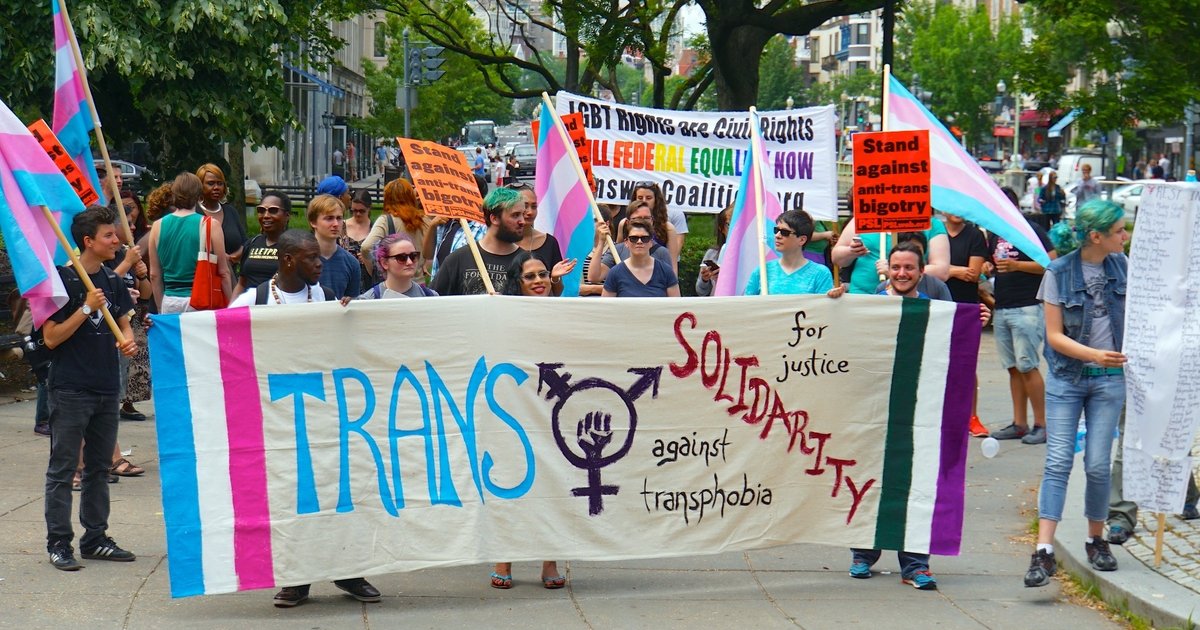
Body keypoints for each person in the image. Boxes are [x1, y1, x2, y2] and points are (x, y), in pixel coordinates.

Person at [226, 230, 379, 606]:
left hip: (324, 415)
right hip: (278, 418)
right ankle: (296, 579)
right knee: (290, 498)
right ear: (288, 260)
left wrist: (347, 317)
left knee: (338, 494)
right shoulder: (255, 299)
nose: (320, 263)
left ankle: (348, 571)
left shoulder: (325, 297)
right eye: (311, 258)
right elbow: (219, 339)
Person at [848, 242, 990, 590]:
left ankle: (915, 565)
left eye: (909, 268)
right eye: (896, 267)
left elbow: (956, 353)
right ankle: (863, 553)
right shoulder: (869, 307)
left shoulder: (936, 311)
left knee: (919, 483)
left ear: (921, 272)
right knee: (870, 481)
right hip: (876, 409)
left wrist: (974, 323)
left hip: (921, 411)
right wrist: (835, 302)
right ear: (888, 269)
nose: (901, 273)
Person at [1024, 200, 1129, 588]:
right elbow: (1053, 336)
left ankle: (1095, 539)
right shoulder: (1058, 272)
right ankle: (1043, 550)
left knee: (1098, 465)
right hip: (1067, 379)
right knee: (1057, 461)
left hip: (1109, 381)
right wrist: (1094, 354)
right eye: (1119, 230)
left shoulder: (1123, 266)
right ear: (1096, 236)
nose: (1125, 236)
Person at [42, 205, 139, 571]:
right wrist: (85, 308)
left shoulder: (112, 280)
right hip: (70, 388)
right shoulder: (62, 281)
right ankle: (58, 543)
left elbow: (124, 322)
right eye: (109, 235)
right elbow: (51, 338)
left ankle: (95, 538)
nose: (117, 240)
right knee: (64, 468)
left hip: (106, 386)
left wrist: (127, 339)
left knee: (99, 468)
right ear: (88, 241)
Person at [490, 250, 567, 589]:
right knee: (512, 480)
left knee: (554, 482)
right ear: (517, 283)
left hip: (553, 408)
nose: (538, 281)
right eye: (530, 276)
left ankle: (550, 562)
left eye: (542, 274)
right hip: (515, 408)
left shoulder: (562, 313)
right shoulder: (505, 314)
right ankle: (504, 557)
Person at [987, 187, 1056, 445]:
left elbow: (1051, 263)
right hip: (1003, 306)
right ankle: (1019, 423)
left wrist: (1017, 265)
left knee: (1027, 365)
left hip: (1027, 306)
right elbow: (993, 264)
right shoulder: (995, 234)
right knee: (1013, 367)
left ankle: (1042, 424)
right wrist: (988, 266)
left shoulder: (1031, 231)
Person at [148, 172, 232, 314]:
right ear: (199, 196)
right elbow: (224, 272)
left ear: (173, 195)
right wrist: (230, 307)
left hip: (170, 300)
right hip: (201, 299)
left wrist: (160, 308)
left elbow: (154, 275)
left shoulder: (157, 226)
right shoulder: (211, 225)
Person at [942, 210, 990, 438]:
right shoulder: (934, 231)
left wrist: (944, 270)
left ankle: (972, 417)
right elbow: (925, 269)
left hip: (965, 307)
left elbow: (973, 274)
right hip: (937, 302)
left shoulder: (974, 235)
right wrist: (956, 270)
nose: (956, 212)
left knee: (966, 364)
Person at [431, 187, 527, 295]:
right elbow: (432, 301)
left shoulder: (528, 262)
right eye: (515, 215)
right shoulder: (457, 259)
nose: (522, 221)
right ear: (494, 219)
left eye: (523, 215)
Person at [831, 217, 951, 295]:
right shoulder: (863, 217)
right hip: (862, 298)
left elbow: (941, 271)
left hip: (910, 300)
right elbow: (837, 258)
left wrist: (896, 271)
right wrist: (851, 251)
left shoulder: (931, 224)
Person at [743, 210, 833, 295]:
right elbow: (747, 304)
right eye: (776, 230)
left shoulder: (820, 274)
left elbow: (823, 305)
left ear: (802, 240)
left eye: (784, 232)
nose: (777, 235)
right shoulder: (762, 271)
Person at [587, 201, 675, 285]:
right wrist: (601, 242)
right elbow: (594, 277)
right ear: (627, 222)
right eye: (637, 218)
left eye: (646, 218)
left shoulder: (662, 253)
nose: (642, 222)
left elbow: (671, 287)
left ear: (652, 221)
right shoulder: (617, 250)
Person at [511, 183, 575, 295]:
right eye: (525, 206)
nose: (530, 212)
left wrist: (554, 278)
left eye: (534, 206)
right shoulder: (500, 242)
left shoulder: (550, 242)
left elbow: (557, 292)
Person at [365, 178, 431, 279]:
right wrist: (425, 265)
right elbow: (433, 249)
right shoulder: (425, 220)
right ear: (411, 196)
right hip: (419, 283)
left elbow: (366, 247)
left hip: (395, 283)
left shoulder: (385, 221)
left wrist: (377, 268)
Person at [234, 191, 293, 295]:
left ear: (287, 216)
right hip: (250, 304)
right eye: (261, 210)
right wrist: (232, 304)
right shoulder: (251, 243)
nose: (266, 215)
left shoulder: (294, 246)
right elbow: (241, 284)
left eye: (273, 211)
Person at [601, 220, 681, 297]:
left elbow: (676, 304)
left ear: (651, 242)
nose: (639, 241)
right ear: (626, 242)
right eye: (634, 238)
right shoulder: (615, 273)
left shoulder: (666, 271)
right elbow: (606, 305)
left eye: (645, 238)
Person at [307, 194, 360, 299]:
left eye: (339, 218)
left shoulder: (351, 263)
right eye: (329, 218)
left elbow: (352, 302)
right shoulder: (300, 259)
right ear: (313, 222)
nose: (335, 224)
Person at [195, 164, 247, 271]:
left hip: (230, 274)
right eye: (210, 183)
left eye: (220, 183)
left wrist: (232, 258)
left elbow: (245, 243)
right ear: (200, 186)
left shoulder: (230, 211)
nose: (216, 188)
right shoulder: (193, 212)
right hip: (200, 275)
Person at [357, 234, 438, 299]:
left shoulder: (431, 297)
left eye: (413, 256)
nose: (409, 262)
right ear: (384, 263)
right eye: (401, 258)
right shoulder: (368, 300)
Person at [630, 182, 685, 269]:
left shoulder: (668, 228)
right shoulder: (624, 224)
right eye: (640, 198)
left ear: (656, 200)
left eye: (648, 198)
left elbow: (672, 262)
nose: (644, 201)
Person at [695, 204, 732, 296]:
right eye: (729, 225)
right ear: (721, 228)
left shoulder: (750, 253)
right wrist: (705, 279)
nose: (733, 228)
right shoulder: (712, 254)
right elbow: (701, 291)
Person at [342, 189, 373, 286]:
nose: (358, 214)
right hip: (345, 278)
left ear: (369, 208)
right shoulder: (341, 226)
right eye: (354, 211)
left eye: (362, 211)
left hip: (368, 281)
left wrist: (368, 260)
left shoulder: (375, 229)